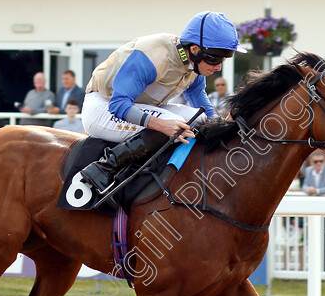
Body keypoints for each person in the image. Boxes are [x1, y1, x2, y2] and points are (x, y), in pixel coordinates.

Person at [78, 11, 244, 193]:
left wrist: (219, 123)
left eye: (224, 59)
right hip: (103, 107)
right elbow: (118, 105)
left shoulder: (194, 64)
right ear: (195, 49)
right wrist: (160, 125)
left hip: (138, 107)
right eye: (214, 57)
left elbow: (196, 93)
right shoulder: (153, 54)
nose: (218, 66)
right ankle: (104, 168)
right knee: (174, 124)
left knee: (202, 120)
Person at [303, 151, 325, 271]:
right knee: (313, 239)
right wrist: (308, 189)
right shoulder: (308, 171)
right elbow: (304, 185)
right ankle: (315, 267)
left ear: (324, 162)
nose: (318, 164)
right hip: (313, 210)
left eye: (321, 161)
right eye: (315, 161)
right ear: (311, 162)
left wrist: (317, 191)